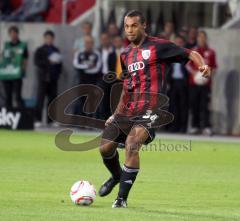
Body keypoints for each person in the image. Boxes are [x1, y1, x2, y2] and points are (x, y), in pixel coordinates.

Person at [98, 10, 211, 208]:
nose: (130, 30)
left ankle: (121, 199)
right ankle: (117, 176)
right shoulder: (125, 54)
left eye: (134, 25)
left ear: (144, 26)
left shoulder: (160, 46)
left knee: (133, 143)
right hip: (130, 108)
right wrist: (115, 114)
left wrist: (202, 65)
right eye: (127, 26)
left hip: (154, 108)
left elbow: (190, 53)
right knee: (105, 147)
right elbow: (127, 86)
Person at [187, 30, 217, 135]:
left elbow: (214, 67)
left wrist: (208, 75)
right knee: (194, 104)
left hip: (206, 84)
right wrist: (194, 72)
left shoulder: (211, 52)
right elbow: (187, 65)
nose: (201, 39)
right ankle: (195, 126)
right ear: (197, 39)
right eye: (199, 37)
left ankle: (206, 127)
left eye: (203, 37)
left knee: (205, 105)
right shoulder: (193, 51)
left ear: (206, 38)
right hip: (194, 83)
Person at [34, 30, 62, 127]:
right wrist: (48, 61)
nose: (49, 40)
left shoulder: (56, 50)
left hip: (53, 78)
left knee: (52, 100)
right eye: (47, 38)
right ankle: (37, 119)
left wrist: (57, 74)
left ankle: (50, 121)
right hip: (43, 78)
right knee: (40, 99)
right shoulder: (40, 50)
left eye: (51, 38)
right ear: (44, 38)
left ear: (53, 39)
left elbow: (59, 64)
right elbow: (37, 62)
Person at [73, 35, 101, 117]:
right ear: (84, 43)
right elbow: (76, 65)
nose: (89, 44)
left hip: (93, 80)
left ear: (93, 44)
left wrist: (84, 68)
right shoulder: (79, 53)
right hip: (81, 80)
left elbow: (97, 68)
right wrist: (87, 67)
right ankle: (81, 120)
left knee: (91, 100)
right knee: (81, 100)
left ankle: (90, 120)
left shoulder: (97, 54)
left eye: (90, 42)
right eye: (87, 42)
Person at [0, 26, 28, 108]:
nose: (13, 35)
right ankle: (9, 115)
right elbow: (1, 57)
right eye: (11, 33)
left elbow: (25, 59)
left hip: (17, 74)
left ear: (17, 34)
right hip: (6, 74)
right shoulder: (5, 45)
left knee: (18, 96)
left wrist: (24, 69)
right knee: (7, 96)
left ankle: (21, 115)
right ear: (9, 34)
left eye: (14, 33)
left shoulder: (22, 45)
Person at [167, 35, 189, 133]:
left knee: (183, 106)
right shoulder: (170, 54)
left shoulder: (187, 54)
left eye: (180, 42)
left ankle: (183, 127)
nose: (178, 44)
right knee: (173, 106)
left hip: (183, 83)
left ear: (183, 43)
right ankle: (174, 126)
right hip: (173, 82)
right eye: (177, 42)